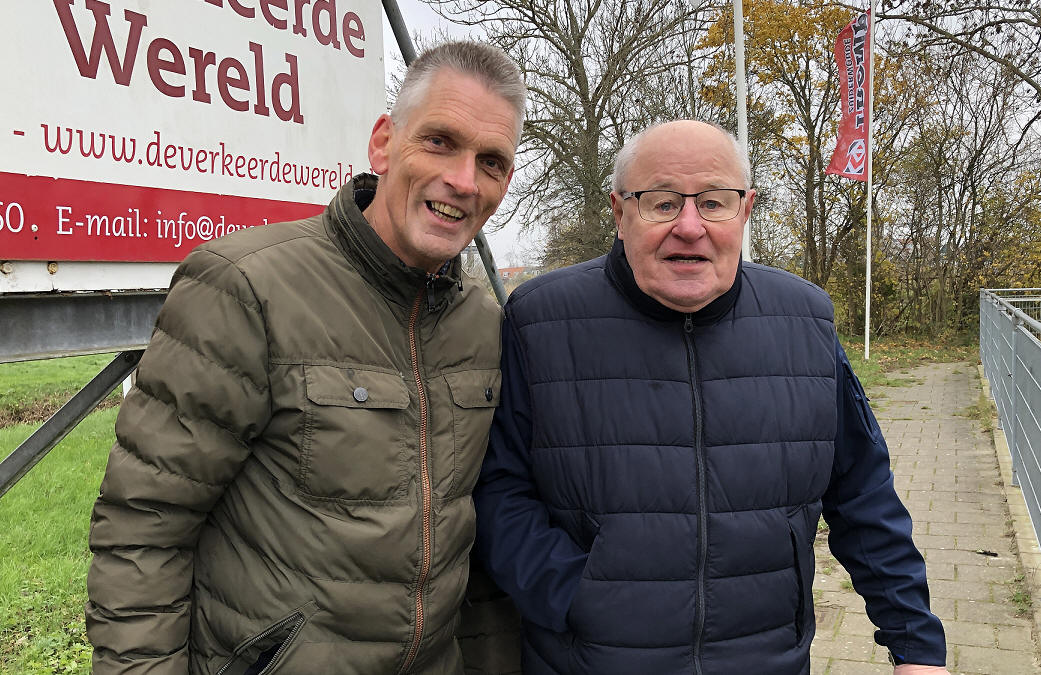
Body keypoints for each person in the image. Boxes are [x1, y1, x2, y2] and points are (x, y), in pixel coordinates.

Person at [85, 41, 525, 674]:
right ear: (383, 143)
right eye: (439, 142)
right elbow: (146, 525)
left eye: (491, 161)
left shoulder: (483, 324)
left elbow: (472, 543)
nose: (463, 180)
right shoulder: (245, 287)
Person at [472, 120, 949, 674]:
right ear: (619, 213)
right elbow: (498, 490)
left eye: (715, 203)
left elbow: (864, 495)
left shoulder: (806, 323)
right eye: (662, 202)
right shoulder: (539, 322)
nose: (690, 227)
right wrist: (574, 594)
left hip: (767, 659)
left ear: (745, 211)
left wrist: (915, 643)